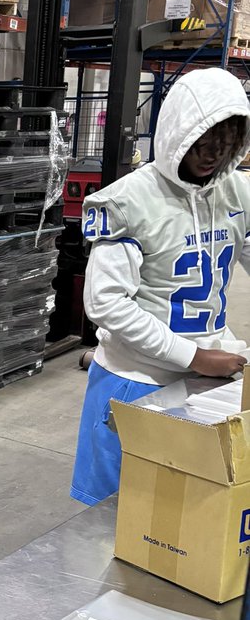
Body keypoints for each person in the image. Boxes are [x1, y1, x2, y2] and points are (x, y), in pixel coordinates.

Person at [71, 67, 250, 506]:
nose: (211, 157)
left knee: (183, 522)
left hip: (211, 377)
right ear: (177, 134)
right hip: (137, 380)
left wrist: (209, 357)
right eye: (202, 144)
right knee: (112, 521)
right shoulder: (129, 200)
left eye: (225, 146)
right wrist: (193, 355)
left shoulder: (237, 192)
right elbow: (106, 303)